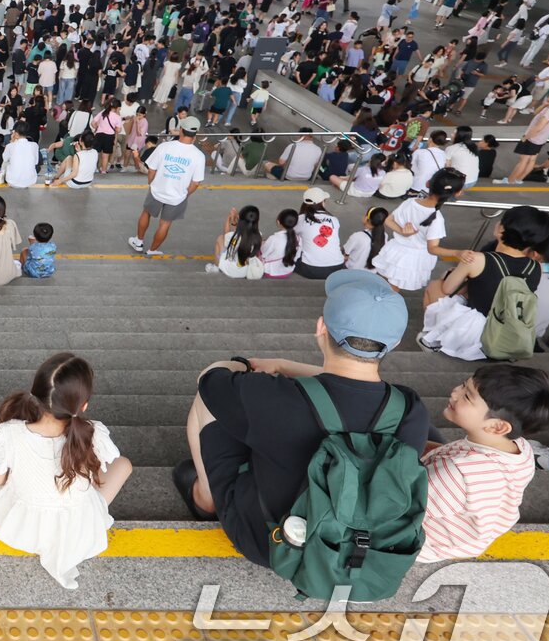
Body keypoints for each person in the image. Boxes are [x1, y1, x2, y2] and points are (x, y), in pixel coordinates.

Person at [174, 270, 429, 567]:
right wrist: (284, 365)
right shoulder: (409, 408)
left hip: (271, 541)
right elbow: (351, 386)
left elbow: (210, 380)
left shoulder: (276, 397)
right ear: (395, 343)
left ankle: (206, 497)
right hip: (357, 549)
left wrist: (238, 365)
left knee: (209, 402)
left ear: (321, 328)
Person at [0, 353, 132, 589]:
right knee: (123, 464)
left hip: (23, 528)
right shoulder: (93, 434)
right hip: (79, 530)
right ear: (83, 405)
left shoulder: (11, 433)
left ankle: (7, 466)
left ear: (36, 393)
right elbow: (101, 470)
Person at [418, 366, 549, 562]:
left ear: (497, 426)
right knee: (417, 426)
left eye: (467, 396)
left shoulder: (458, 474)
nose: (455, 392)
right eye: (462, 385)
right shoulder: (520, 447)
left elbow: (400, 507)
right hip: (468, 532)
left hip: (425, 541)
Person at [419, 206, 549, 360]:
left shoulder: (477, 259)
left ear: (501, 229)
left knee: (435, 286)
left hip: (474, 332)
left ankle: (435, 337)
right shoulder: (535, 267)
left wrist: (455, 274)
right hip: (507, 330)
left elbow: (447, 289)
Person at [373, 168, 465, 292]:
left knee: (385, 284)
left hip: (394, 250)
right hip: (412, 259)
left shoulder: (410, 202)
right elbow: (432, 248)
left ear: (428, 183)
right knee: (391, 291)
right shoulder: (437, 219)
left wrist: (402, 231)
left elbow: (388, 220)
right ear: (456, 193)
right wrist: (457, 253)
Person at [129, 116, 205, 257]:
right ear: (196, 133)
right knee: (165, 224)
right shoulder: (199, 156)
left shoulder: (165, 147)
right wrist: (185, 193)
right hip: (177, 196)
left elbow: (152, 169)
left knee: (146, 213)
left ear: (181, 130)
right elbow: (196, 182)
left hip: (157, 190)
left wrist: (151, 183)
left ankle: (138, 242)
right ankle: (152, 250)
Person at [497, 89, 549, 185]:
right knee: (531, 160)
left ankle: (510, 181)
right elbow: (535, 113)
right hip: (540, 139)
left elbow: (538, 127)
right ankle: (518, 180)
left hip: (532, 138)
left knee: (523, 161)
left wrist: (526, 137)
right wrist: (544, 104)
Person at [294, 188, 345, 279]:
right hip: (337, 267)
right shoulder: (334, 219)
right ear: (322, 202)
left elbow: (290, 236)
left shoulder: (301, 219)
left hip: (310, 269)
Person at [207, 206, 263, 279]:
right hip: (246, 271)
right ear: (257, 221)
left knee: (220, 239)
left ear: (240, 219)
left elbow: (226, 235)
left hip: (230, 269)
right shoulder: (259, 235)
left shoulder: (234, 237)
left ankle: (216, 267)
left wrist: (229, 218)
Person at [343, 207, 388, 273]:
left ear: (367, 218)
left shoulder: (358, 236)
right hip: (371, 274)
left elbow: (345, 253)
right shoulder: (384, 236)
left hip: (352, 271)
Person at [260, 209, 299, 279]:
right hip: (288, 271)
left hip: (270, 271)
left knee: (258, 248)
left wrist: (262, 243)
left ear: (278, 222)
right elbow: (297, 255)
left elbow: (263, 253)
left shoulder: (273, 238)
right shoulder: (298, 239)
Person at [2, 123, 40, 189]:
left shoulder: (10, 146)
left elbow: (5, 159)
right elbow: (36, 162)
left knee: (6, 162)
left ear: (16, 134)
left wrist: (11, 141)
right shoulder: (34, 145)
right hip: (30, 181)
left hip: (12, 181)